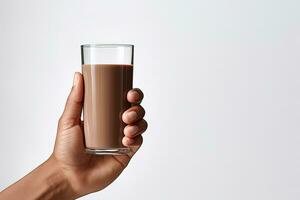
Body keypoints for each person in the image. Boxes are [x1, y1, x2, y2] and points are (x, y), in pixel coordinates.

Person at [0, 72, 148, 199]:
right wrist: (66, 174)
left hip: (113, 149)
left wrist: (67, 176)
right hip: (91, 153)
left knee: (131, 109)